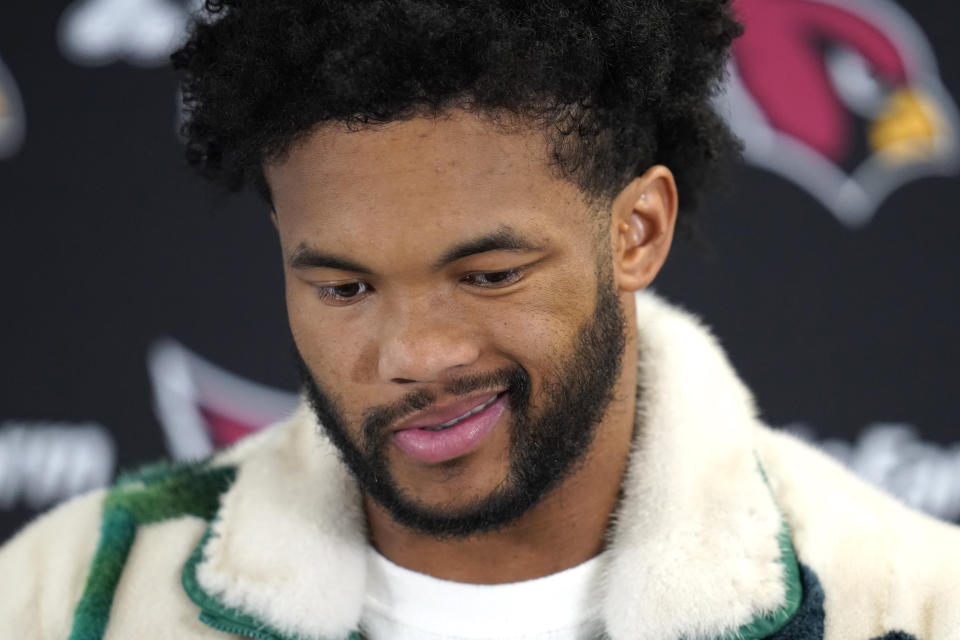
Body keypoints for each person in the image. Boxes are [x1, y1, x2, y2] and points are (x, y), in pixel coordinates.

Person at [1, 1, 958, 639]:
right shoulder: (67, 595)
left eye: (490, 274)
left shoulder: (910, 600)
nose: (413, 354)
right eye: (344, 288)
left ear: (637, 230)